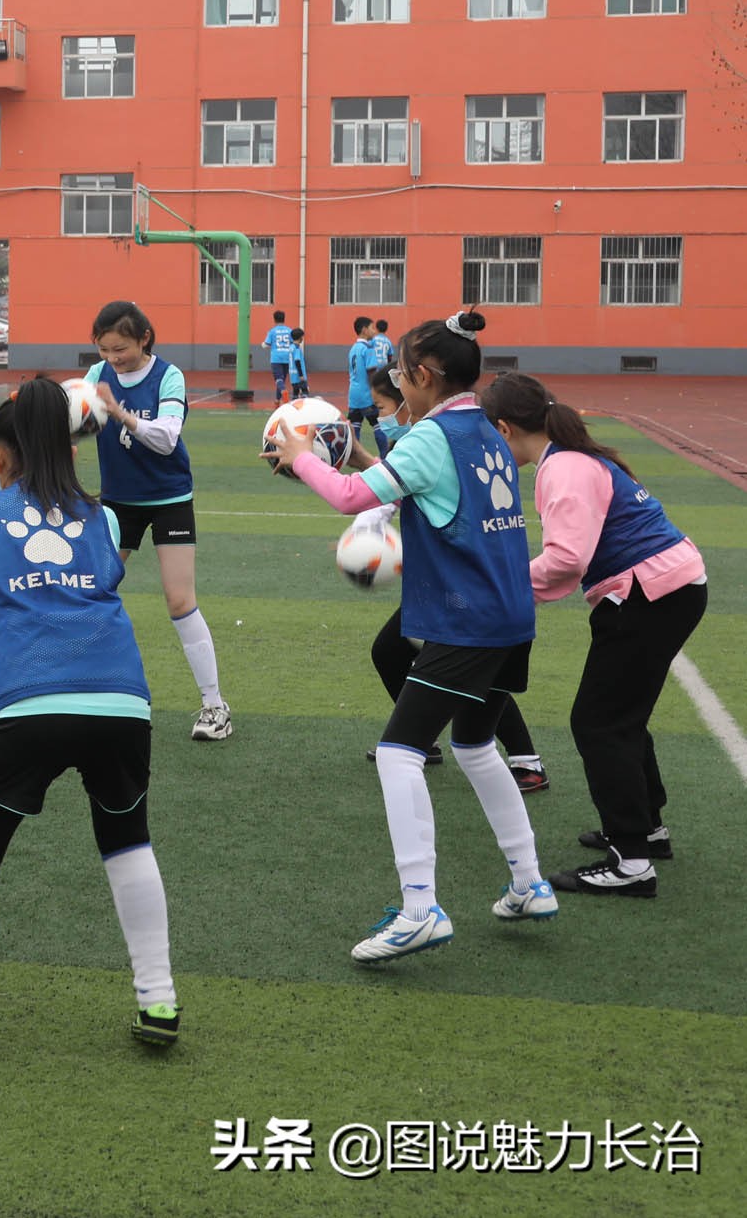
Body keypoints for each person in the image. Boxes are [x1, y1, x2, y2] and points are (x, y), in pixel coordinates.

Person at [269, 312, 558, 962]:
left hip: (467, 619)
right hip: (509, 614)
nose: (396, 381)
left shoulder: (433, 435)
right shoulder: (484, 426)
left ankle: (420, 906)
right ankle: (528, 881)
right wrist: (353, 459)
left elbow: (350, 499)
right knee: (477, 744)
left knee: (400, 751)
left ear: (423, 376)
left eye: (399, 372)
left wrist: (302, 459)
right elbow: (414, 489)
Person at [0, 378, 180, 1068]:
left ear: (3, 453)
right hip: (121, 701)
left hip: (31, 704)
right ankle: (159, 1000)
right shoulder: (107, 519)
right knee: (127, 838)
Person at [481, 372, 709, 899]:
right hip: (664, 588)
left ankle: (631, 862)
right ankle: (646, 830)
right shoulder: (570, 457)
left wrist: (505, 587)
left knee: (599, 722)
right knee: (620, 717)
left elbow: (566, 560)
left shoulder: (564, 467)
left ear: (503, 428)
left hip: (648, 594)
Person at [353, 369, 548, 790]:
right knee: (390, 650)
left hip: (461, 585)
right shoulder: (431, 435)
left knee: (474, 674)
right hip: (443, 582)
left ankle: (525, 759)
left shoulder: (434, 436)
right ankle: (425, 742)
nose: (381, 417)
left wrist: (313, 466)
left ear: (414, 391)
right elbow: (393, 482)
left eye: (385, 407)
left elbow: (373, 489)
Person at [84, 301, 232, 742]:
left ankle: (214, 706)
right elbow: (77, 416)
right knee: (93, 590)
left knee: (178, 600)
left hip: (170, 498)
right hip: (118, 502)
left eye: (121, 348)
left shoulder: (168, 375)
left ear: (144, 338)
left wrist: (120, 411)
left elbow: (167, 440)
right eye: (105, 349)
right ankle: (85, 693)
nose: (113, 358)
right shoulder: (97, 376)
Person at [346, 316, 379, 433]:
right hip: (366, 394)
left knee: (355, 426)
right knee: (377, 424)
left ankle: (353, 451)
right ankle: (384, 452)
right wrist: (376, 391)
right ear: (364, 330)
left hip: (353, 395)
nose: (374, 331)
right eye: (372, 328)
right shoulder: (368, 348)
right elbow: (371, 372)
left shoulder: (353, 349)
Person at [261, 310, 292, 405]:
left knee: (278, 380)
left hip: (276, 358)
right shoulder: (289, 330)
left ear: (274, 320)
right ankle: (277, 399)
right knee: (282, 379)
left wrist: (262, 344)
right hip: (287, 357)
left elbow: (266, 345)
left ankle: (283, 391)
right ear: (284, 319)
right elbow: (292, 342)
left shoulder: (272, 331)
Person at [287, 327, 309, 400]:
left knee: (295, 394)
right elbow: (297, 361)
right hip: (298, 376)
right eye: (302, 337)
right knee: (305, 393)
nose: (303, 338)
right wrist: (301, 375)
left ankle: (293, 409)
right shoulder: (296, 348)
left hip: (292, 376)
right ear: (300, 338)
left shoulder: (291, 347)